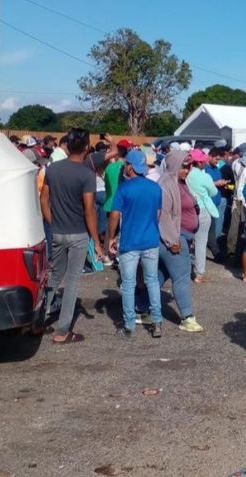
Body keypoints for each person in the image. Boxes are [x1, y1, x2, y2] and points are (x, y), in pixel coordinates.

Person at [40, 128, 104, 344]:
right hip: (77, 234)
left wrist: (52, 222)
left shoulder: (53, 169)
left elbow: (43, 199)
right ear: (86, 147)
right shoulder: (87, 175)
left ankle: (37, 319)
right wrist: (96, 241)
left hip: (57, 232)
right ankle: (62, 330)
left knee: (53, 276)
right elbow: (89, 210)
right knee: (72, 281)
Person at [106, 150, 164, 339]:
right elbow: (158, 214)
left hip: (130, 242)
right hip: (151, 241)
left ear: (130, 167)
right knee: (152, 281)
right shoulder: (155, 188)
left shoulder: (124, 188)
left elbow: (114, 215)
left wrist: (111, 237)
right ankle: (157, 322)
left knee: (129, 284)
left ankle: (129, 325)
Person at [155, 152, 203, 333]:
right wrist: (172, 240)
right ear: (175, 165)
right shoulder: (166, 183)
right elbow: (163, 215)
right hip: (174, 237)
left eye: (189, 166)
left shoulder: (180, 183)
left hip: (182, 236)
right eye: (184, 166)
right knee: (182, 275)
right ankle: (187, 317)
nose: (187, 170)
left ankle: (140, 307)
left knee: (160, 274)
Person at [186, 149, 219, 283]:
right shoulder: (204, 176)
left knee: (186, 241)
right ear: (198, 162)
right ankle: (199, 273)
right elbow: (214, 191)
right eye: (203, 161)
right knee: (201, 242)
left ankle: (183, 268)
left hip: (187, 210)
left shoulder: (185, 174)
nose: (205, 162)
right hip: (202, 210)